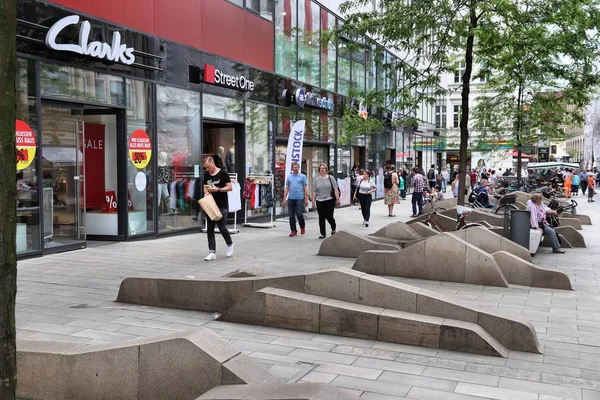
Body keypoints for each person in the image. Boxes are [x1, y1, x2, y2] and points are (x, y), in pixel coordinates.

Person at [202, 156, 234, 261]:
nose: (207, 169)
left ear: (212, 163)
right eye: (205, 168)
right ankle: (212, 252)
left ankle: (230, 244)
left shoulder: (223, 173)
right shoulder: (206, 175)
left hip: (222, 205)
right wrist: (206, 192)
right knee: (210, 228)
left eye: (208, 167)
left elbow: (230, 187)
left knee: (222, 227)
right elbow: (205, 188)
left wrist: (218, 189)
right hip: (210, 204)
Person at [312, 163, 340, 239]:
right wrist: (313, 201)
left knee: (329, 216)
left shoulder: (331, 178)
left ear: (326, 170)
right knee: (321, 217)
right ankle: (322, 233)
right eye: (321, 168)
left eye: (323, 168)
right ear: (319, 170)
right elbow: (314, 191)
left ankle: (333, 227)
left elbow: (335, 189)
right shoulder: (316, 180)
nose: (322, 169)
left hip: (329, 200)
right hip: (319, 200)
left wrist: (337, 199)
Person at [283, 162, 308, 237]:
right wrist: (284, 199)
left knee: (299, 214)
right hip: (291, 198)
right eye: (294, 167)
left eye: (296, 167)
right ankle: (293, 230)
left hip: (299, 198)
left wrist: (306, 199)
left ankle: (302, 226)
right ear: (292, 168)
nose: (295, 169)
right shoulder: (289, 177)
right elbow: (287, 188)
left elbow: (305, 188)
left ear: (298, 168)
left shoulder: (302, 177)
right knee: (291, 216)